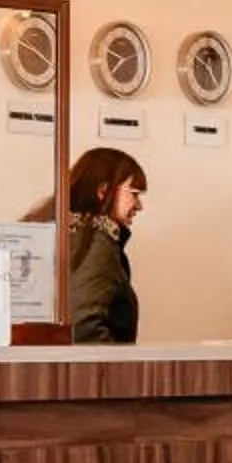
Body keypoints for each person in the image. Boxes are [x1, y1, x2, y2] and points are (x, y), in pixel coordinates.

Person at [37, 146, 146, 346]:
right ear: (103, 191)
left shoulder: (60, 233)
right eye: (135, 194)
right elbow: (83, 329)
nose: (139, 206)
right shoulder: (94, 243)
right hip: (93, 374)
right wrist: (119, 370)